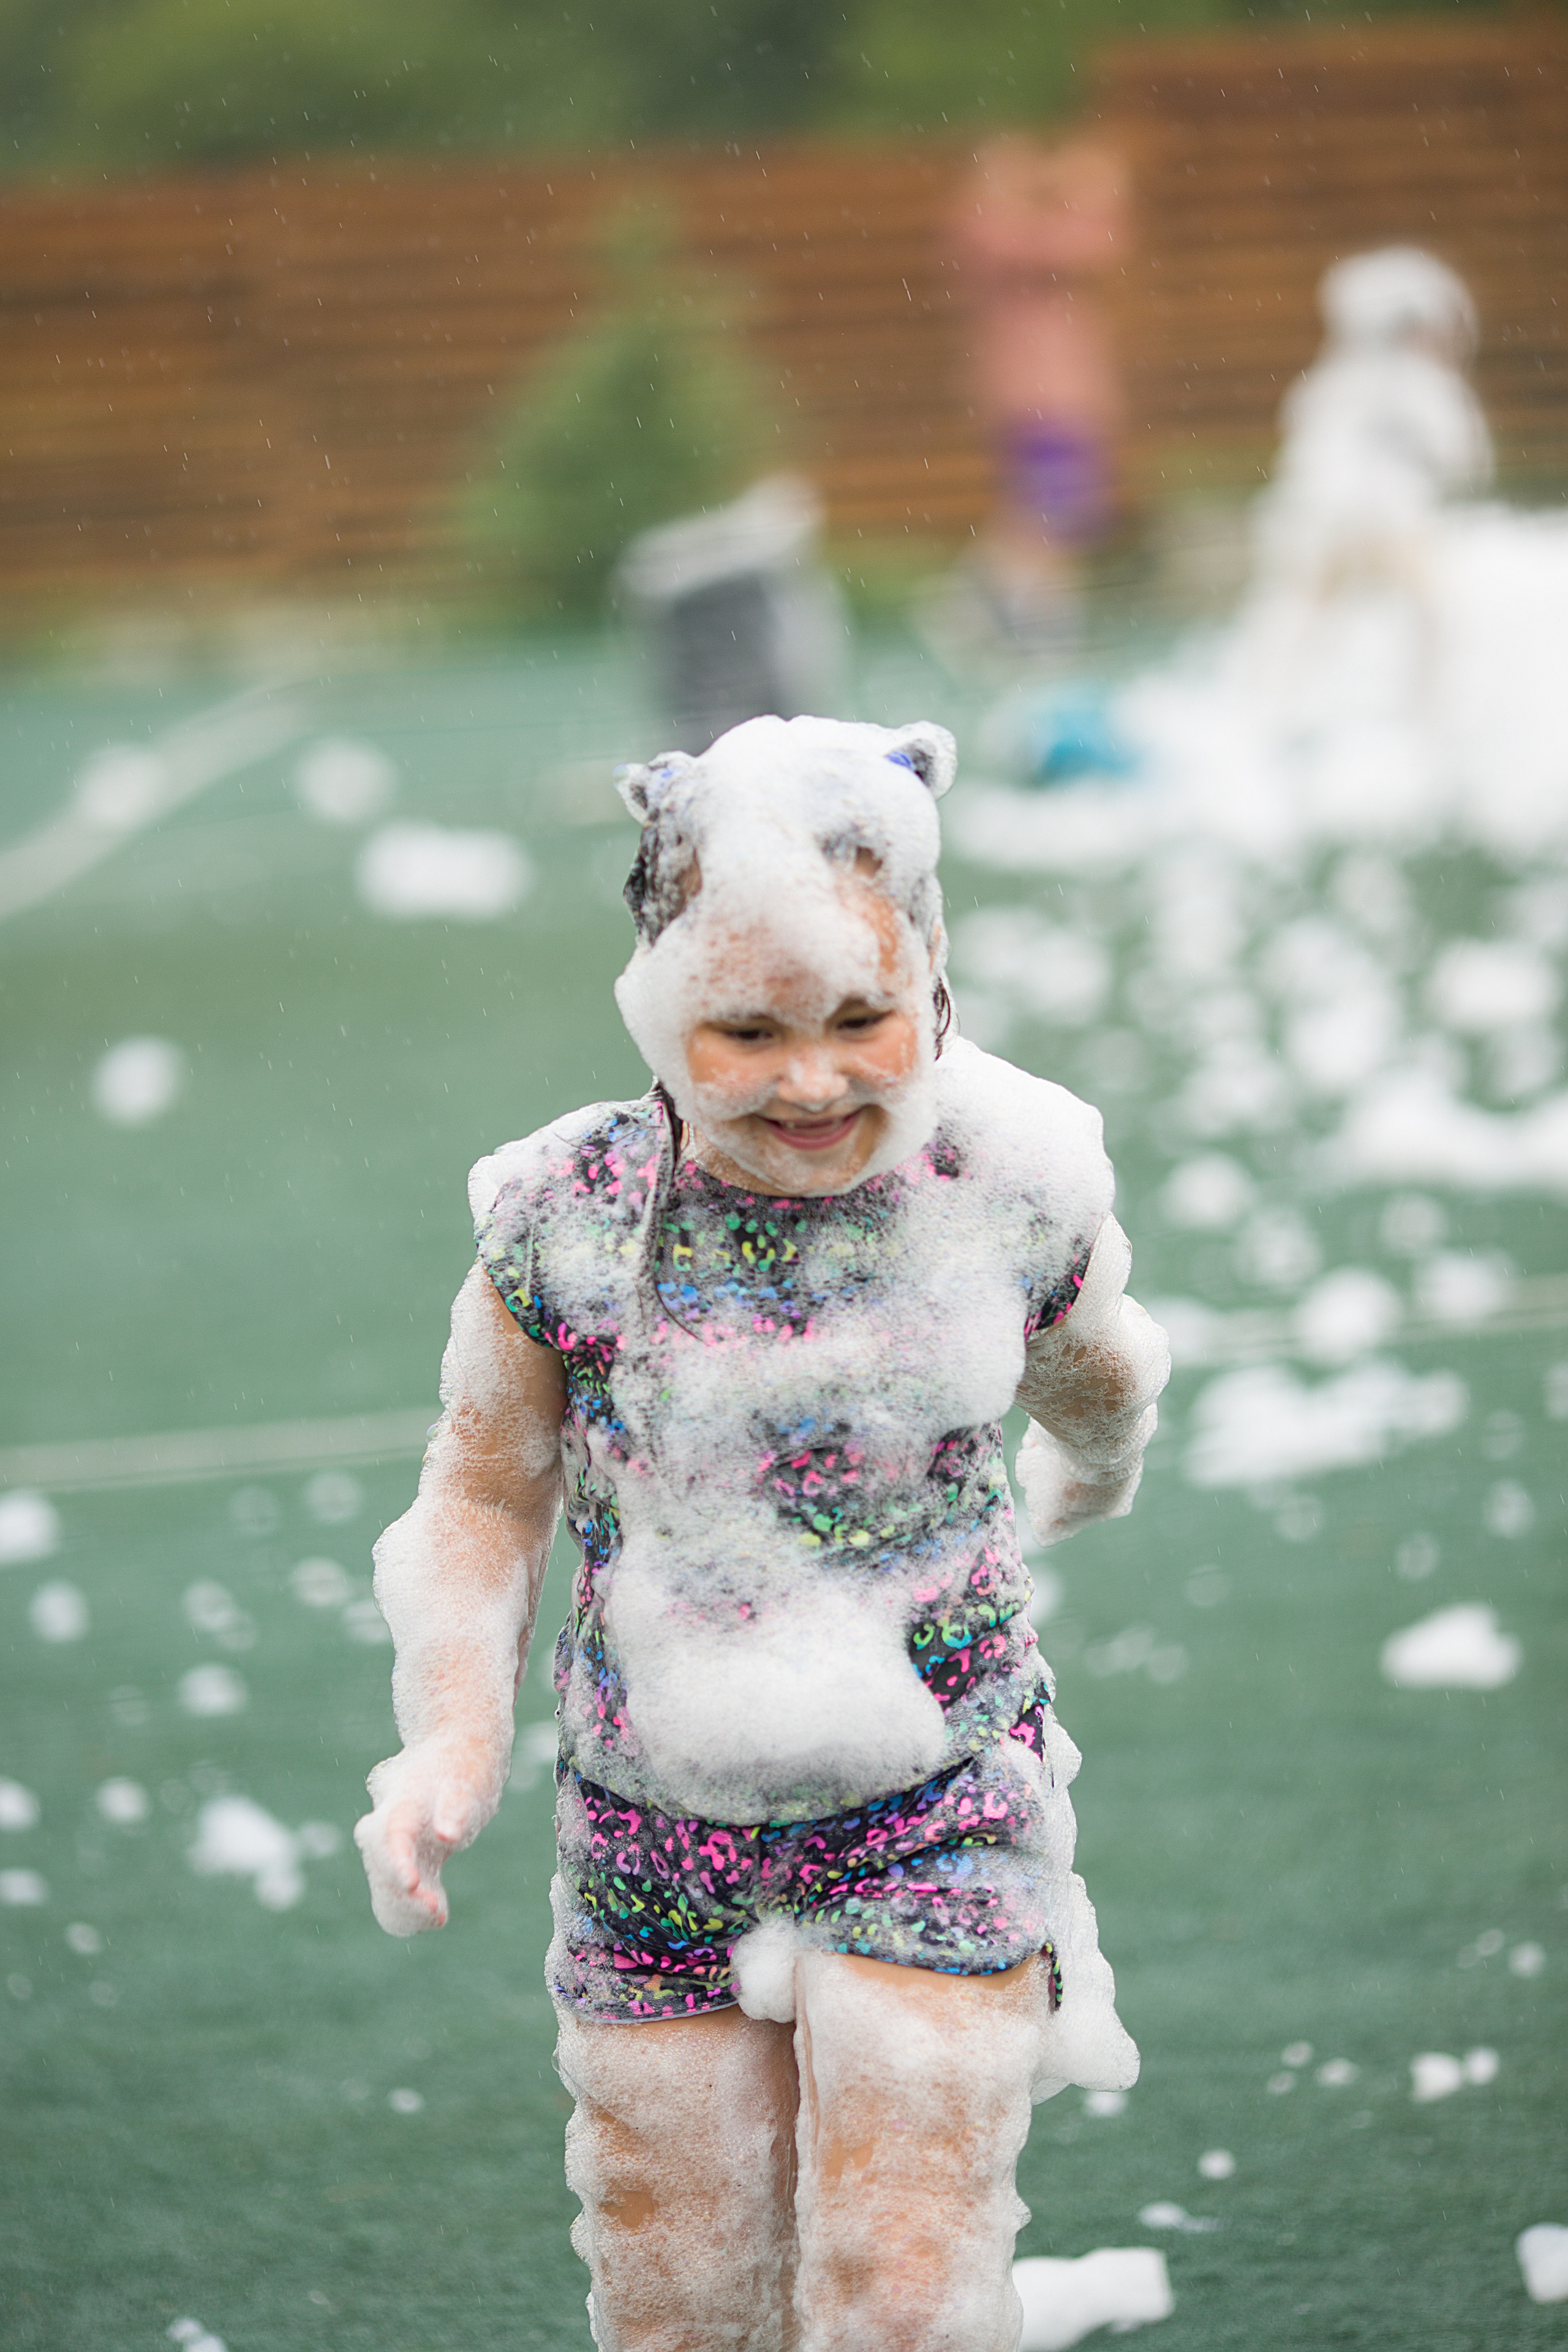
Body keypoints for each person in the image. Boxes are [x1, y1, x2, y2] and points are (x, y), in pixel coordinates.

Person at [354, 714, 1170, 2352]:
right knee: (678, 2290)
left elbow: (1098, 1376)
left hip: (930, 1787)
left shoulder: (1007, 1181)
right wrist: (449, 1735)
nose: (812, 1078)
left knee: (901, 2284)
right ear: (661, 1009)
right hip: (657, 1813)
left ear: (932, 977)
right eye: (745, 1032)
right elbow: (487, 1490)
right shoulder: (570, 1215)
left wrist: (1104, 1460)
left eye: (864, 1017)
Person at [1240, 246, 1493, 717]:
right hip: (1386, 521)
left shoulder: (1335, 380)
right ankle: (1429, 708)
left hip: (1322, 519)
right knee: (1434, 612)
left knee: (1305, 612)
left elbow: (1298, 431)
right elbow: (1462, 455)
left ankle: (1270, 702)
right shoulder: (1423, 385)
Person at [942, 138, 1128, 660]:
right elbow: (1080, 247)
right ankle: (996, 607)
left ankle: (1027, 617)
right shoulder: (995, 229)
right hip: (1041, 399)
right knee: (1046, 515)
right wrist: (1088, 192)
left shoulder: (1023, 228)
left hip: (1063, 397)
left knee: (1058, 515)